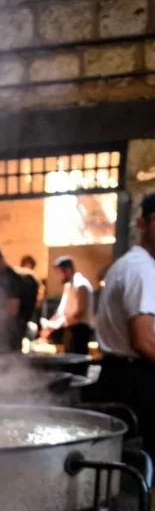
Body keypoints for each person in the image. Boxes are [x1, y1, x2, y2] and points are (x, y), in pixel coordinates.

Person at [95, 191, 155, 465]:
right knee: (141, 463)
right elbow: (143, 340)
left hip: (119, 376)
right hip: (136, 381)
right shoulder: (142, 269)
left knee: (121, 462)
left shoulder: (126, 264)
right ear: (143, 224)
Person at [41, 256, 94, 354]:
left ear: (68, 270)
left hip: (79, 330)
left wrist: (56, 325)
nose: (59, 276)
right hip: (69, 330)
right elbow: (62, 312)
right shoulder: (69, 286)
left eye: (60, 273)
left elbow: (80, 312)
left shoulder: (81, 285)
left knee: (77, 363)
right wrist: (49, 326)